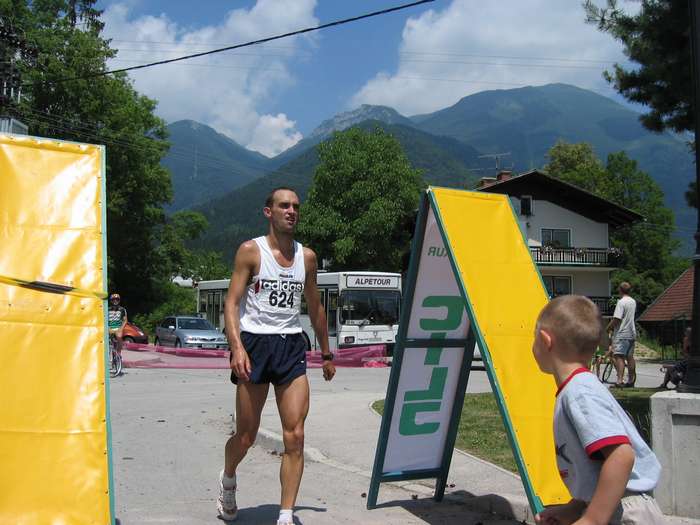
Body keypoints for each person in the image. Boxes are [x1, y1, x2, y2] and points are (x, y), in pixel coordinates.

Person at [218, 187, 336, 525]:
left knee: (295, 435)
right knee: (246, 436)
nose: (291, 211)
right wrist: (237, 347)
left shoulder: (306, 258)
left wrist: (326, 353)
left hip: (290, 347)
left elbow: (315, 306)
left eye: (296, 206)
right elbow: (231, 303)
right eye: (284, 206)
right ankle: (228, 478)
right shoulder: (250, 251)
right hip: (254, 346)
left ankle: (285, 515)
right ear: (268, 212)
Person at [532, 295, 664, 525]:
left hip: (625, 512)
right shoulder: (578, 389)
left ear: (545, 340)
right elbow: (595, 470)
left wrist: (592, 518)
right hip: (615, 504)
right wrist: (574, 508)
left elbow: (621, 456)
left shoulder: (579, 393)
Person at [606, 282, 637, 388]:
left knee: (619, 356)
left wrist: (608, 327)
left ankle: (619, 381)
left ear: (620, 290)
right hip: (631, 332)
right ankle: (631, 380)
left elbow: (617, 319)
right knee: (630, 357)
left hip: (622, 333)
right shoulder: (633, 302)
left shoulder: (621, 302)